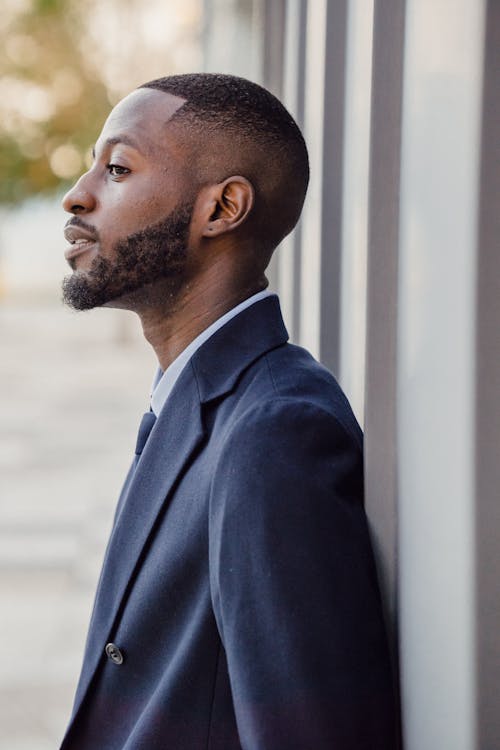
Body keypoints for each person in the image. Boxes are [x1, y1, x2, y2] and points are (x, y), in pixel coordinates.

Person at [59, 73, 397, 749]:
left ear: (223, 209)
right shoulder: (207, 401)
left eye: (118, 167)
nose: (78, 194)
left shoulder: (276, 435)